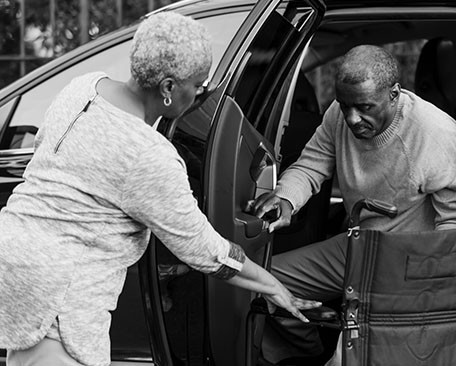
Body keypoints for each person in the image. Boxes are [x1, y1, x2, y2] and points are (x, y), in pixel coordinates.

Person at [0, 12, 319, 366]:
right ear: (168, 88)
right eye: (198, 85)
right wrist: (273, 285)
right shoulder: (147, 155)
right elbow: (204, 250)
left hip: (17, 270)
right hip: (60, 299)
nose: (201, 93)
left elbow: (49, 153)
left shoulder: (83, 86)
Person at [250, 45, 456, 364]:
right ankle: (304, 353)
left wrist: (424, 291)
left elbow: (455, 223)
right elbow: (312, 164)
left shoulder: (435, 134)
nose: (353, 118)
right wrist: (286, 197)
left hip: (409, 262)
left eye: (365, 107)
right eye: (345, 106)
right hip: (359, 244)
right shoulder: (339, 115)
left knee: (348, 358)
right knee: (259, 281)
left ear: (394, 93)